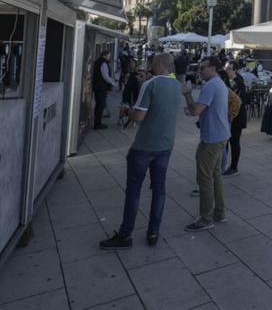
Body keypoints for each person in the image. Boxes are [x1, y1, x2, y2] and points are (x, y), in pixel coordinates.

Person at [99, 53, 182, 249]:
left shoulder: (150, 85)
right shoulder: (177, 86)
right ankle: (154, 230)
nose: (150, 65)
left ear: (160, 64)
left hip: (145, 146)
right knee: (159, 189)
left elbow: (139, 117)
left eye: (153, 63)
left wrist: (126, 111)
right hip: (166, 145)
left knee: (134, 190)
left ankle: (125, 234)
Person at [181, 56, 231, 232]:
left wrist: (186, 93)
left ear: (213, 68)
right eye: (199, 68)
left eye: (203, 68)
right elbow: (204, 110)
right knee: (216, 175)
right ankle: (219, 213)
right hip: (221, 134)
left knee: (205, 178)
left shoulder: (210, 85)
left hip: (212, 138)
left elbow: (196, 110)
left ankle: (206, 218)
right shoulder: (219, 83)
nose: (200, 71)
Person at [223, 61, 247, 176]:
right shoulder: (226, 80)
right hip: (228, 116)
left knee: (234, 142)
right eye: (226, 68)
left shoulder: (239, 82)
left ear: (235, 70)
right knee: (225, 141)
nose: (226, 70)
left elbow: (238, 101)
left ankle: (234, 167)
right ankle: (223, 164)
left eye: (229, 68)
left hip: (237, 117)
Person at [92, 50, 114, 130]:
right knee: (100, 105)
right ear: (104, 55)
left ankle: (97, 122)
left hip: (97, 86)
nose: (109, 57)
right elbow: (105, 76)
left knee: (99, 105)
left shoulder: (97, 62)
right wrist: (112, 82)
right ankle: (97, 124)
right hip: (101, 87)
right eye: (109, 55)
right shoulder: (103, 63)